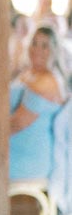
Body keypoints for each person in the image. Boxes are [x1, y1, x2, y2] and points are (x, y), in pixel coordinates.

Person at [10, 26, 68, 181]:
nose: (37, 49)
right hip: (16, 148)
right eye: (34, 43)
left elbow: (17, 124)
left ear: (54, 51)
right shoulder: (28, 73)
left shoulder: (47, 81)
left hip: (27, 158)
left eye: (45, 46)